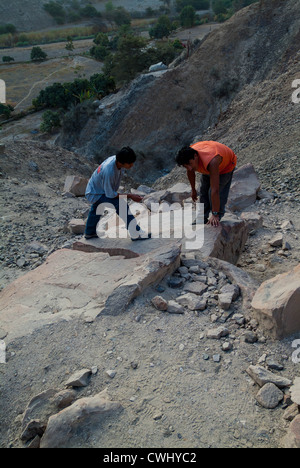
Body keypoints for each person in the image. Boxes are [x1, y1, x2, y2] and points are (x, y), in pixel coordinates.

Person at [84, 147, 151, 241]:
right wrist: (130, 196)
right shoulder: (109, 170)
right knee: (121, 204)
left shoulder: (117, 162)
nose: (132, 165)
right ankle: (135, 233)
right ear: (121, 162)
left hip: (96, 189)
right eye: (130, 163)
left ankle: (89, 233)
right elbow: (110, 194)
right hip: (95, 193)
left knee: (97, 207)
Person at [175, 141, 237, 227]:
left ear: (196, 156)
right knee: (203, 190)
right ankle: (202, 217)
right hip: (207, 164)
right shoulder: (189, 155)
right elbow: (190, 172)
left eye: (190, 164)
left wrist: (215, 214)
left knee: (213, 191)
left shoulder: (212, 161)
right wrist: (193, 189)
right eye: (186, 166)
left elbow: (215, 190)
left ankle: (217, 216)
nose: (189, 168)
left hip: (225, 167)